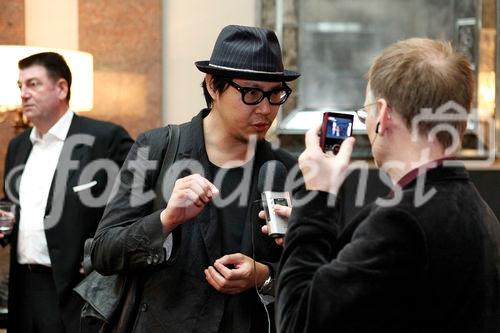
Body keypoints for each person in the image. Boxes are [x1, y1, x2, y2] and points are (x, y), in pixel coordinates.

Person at [276, 38, 500, 332]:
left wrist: (317, 195)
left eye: (366, 111)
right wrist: (306, 225)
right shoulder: (480, 212)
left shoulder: (401, 223)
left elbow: (297, 321)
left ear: (382, 115)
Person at [89, 25, 300, 332]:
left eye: (276, 93)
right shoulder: (158, 148)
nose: (266, 109)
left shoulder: (283, 168)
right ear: (213, 85)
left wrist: (263, 275)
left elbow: (313, 275)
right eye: (251, 93)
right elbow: (104, 253)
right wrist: (165, 220)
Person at [2, 52, 133, 333]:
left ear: (61, 88)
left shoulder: (104, 138)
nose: (24, 94)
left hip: (78, 289)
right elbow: (15, 206)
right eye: (20, 86)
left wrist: (100, 259)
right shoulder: (18, 146)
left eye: (33, 84)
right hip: (24, 288)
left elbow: (135, 205)